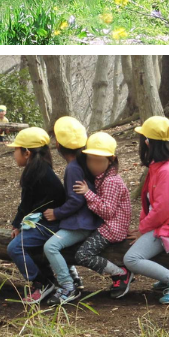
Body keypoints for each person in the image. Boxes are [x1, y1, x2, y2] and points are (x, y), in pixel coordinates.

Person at [5, 127, 67, 305]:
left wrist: (18, 224)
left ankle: (41, 283)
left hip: (50, 225)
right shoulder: (39, 169)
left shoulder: (37, 173)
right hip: (44, 222)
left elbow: (27, 205)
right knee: (23, 246)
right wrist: (18, 224)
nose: (14, 154)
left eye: (16, 150)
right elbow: (29, 204)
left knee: (15, 248)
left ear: (27, 153)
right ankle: (47, 279)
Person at [123, 116, 169, 304]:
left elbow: (163, 210)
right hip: (165, 223)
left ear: (148, 142)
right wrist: (143, 227)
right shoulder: (159, 166)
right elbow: (150, 203)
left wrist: (143, 230)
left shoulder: (168, 171)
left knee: (131, 259)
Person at [42, 117, 98, 306]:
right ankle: (74, 277)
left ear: (58, 144)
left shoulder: (73, 168)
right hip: (86, 220)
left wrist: (56, 213)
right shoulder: (84, 162)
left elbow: (76, 200)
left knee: (51, 247)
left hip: (82, 224)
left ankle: (67, 286)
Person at [72, 132, 133, 299]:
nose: (93, 165)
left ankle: (120, 273)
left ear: (111, 160)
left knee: (82, 255)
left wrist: (87, 193)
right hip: (108, 225)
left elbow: (107, 211)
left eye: (99, 161)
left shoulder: (111, 181)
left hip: (113, 228)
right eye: (90, 160)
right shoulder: (101, 177)